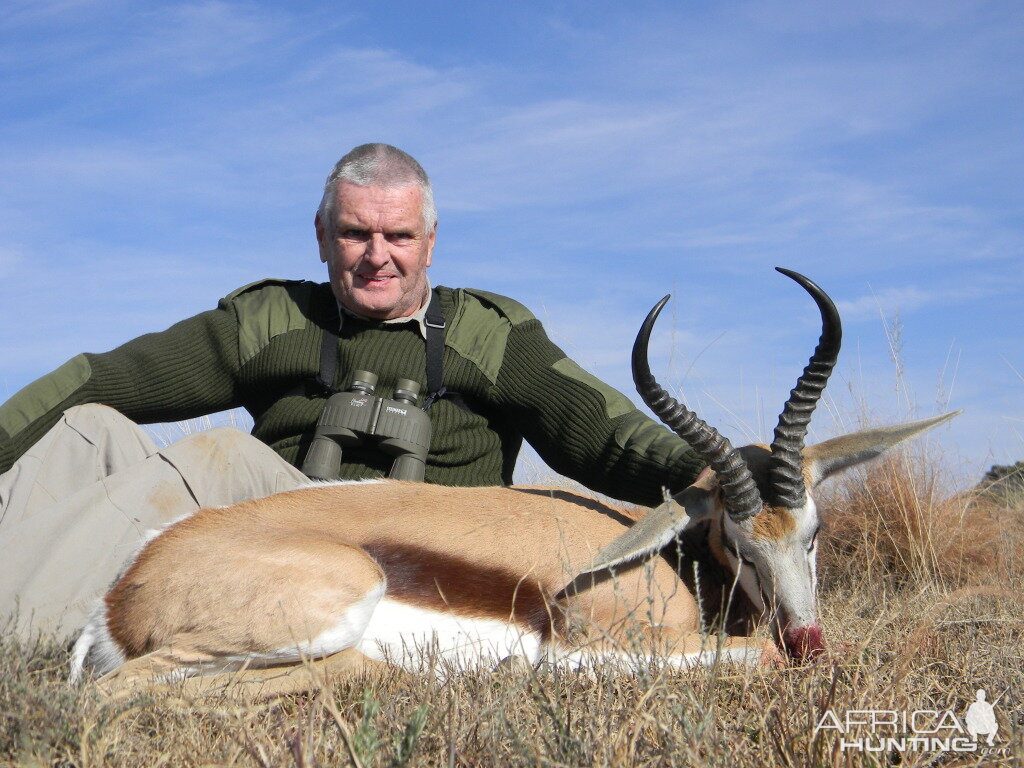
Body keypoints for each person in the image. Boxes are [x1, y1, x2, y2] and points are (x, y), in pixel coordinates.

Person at [0, 143, 704, 639]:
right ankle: (29, 610)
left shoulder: (493, 336)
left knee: (217, 454)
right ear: (321, 237)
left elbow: (605, 433)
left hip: (407, 568)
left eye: (398, 234)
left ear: (431, 242)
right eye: (354, 233)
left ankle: (26, 619)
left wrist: (705, 474)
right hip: (264, 543)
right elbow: (100, 377)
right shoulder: (274, 318)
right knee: (88, 428)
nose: (377, 256)